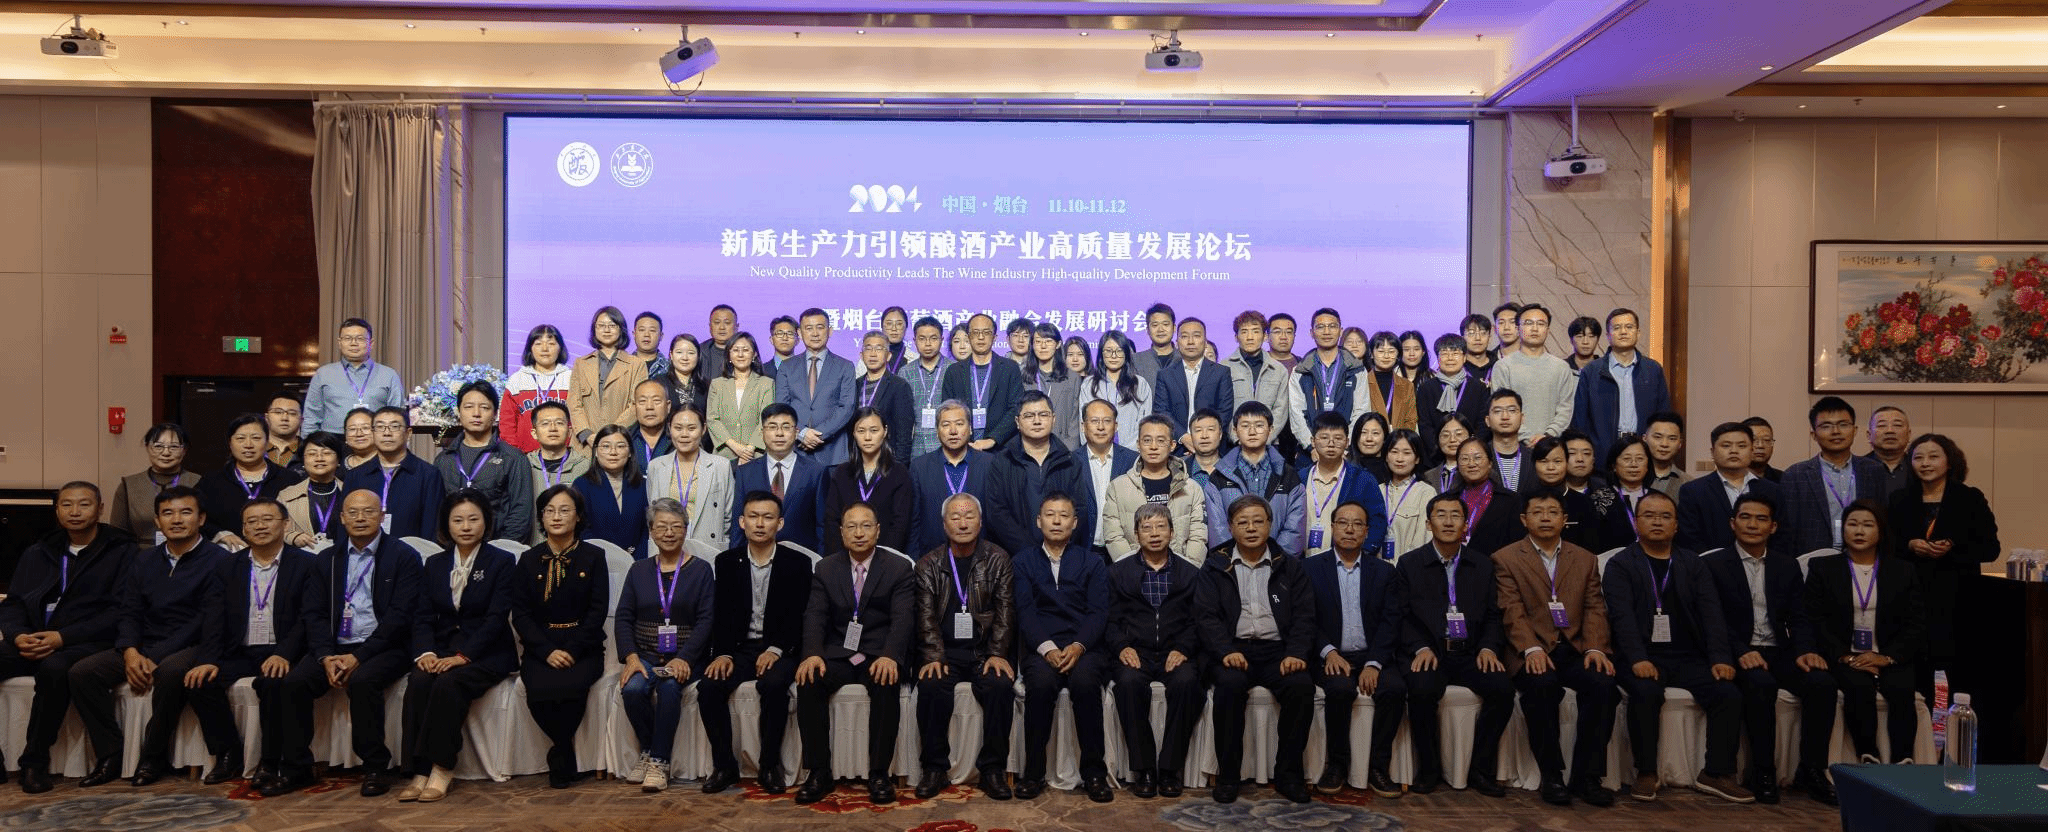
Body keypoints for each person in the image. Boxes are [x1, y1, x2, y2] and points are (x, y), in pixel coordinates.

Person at [68, 486, 226, 788]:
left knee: (172, 672)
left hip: (192, 644)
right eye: (167, 513)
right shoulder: (144, 559)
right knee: (82, 673)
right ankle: (111, 755)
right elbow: (129, 610)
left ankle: (153, 756)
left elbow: (205, 619)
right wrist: (130, 651)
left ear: (201, 518)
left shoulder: (218, 560)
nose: (176, 520)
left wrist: (155, 657)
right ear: (157, 521)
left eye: (185, 512)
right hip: (144, 643)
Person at [268, 489, 422, 797]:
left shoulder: (403, 556)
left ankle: (375, 766)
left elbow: (400, 616)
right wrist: (325, 656)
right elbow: (313, 613)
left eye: (368, 511)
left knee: (363, 681)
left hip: (384, 647)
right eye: (353, 512)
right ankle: (298, 768)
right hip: (335, 647)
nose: (360, 518)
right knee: (294, 683)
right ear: (341, 518)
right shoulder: (327, 559)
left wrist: (360, 656)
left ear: (382, 516)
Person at [1601, 490, 1751, 803]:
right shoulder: (1621, 564)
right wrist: (1637, 658)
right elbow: (1621, 618)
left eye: (1665, 516)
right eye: (1649, 516)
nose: (1657, 522)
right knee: (1646, 691)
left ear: (1676, 525)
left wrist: (1720, 658)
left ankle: (1716, 773)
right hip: (1640, 656)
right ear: (1636, 522)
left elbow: (1712, 615)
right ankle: (1646, 772)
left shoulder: (1693, 564)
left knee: (1727, 692)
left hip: (1687, 656)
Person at [1701, 493, 1839, 806]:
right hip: (1739, 651)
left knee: (1822, 682)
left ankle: (1812, 770)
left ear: (1773, 527)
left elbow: (1799, 615)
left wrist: (1805, 649)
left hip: (1780, 650)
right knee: (1760, 684)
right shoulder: (1712, 564)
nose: (1753, 524)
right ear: (1732, 523)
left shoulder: (1786, 565)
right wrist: (1739, 650)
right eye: (1745, 517)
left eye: (1761, 518)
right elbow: (1713, 619)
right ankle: (1763, 771)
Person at [0, 483, 137, 794]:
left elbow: (121, 610)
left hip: (85, 641)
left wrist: (62, 637)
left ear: (100, 509)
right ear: (57, 510)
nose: (75, 512)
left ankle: (34, 763)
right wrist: (18, 635)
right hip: (32, 638)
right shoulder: (39, 551)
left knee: (55, 669)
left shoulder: (121, 550)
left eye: (84, 504)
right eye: (67, 505)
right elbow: (13, 604)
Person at [1493, 490, 1619, 808]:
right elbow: (1511, 610)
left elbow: (1594, 607)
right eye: (1538, 512)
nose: (1546, 518)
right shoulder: (1506, 558)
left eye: (1552, 512)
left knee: (1604, 685)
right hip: (1531, 649)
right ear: (1524, 520)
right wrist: (1531, 649)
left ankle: (1587, 777)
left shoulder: (1585, 558)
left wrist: (1595, 649)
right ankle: (1552, 775)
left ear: (1565, 519)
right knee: (1541, 686)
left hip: (1574, 649)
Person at [187, 499, 317, 791]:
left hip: (285, 650)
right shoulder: (227, 566)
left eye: (267, 519)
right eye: (252, 521)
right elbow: (214, 617)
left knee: (273, 682)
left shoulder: (306, 564)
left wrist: (284, 653)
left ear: (285, 524)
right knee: (200, 681)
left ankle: (270, 762)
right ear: (243, 529)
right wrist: (208, 658)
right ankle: (228, 753)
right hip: (241, 650)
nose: (259, 526)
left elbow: (307, 617)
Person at [397, 491, 518, 803]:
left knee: (449, 683)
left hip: (488, 652)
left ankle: (441, 767)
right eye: (458, 520)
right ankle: (418, 770)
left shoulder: (502, 562)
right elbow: (423, 615)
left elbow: (496, 618)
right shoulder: (435, 564)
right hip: (442, 649)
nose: (466, 526)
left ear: (486, 522)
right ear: (446, 525)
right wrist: (426, 652)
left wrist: (464, 656)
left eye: (473, 519)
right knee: (419, 680)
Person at [793, 503, 916, 806]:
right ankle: (819, 772)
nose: (859, 533)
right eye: (851, 526)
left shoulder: (898, 568)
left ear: (877, 530)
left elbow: (903, 618)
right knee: (809, 681)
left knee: (887, 681)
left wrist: (891, 655)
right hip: (839, 654)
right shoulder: (826, 568)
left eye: (866, 526)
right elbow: (815, 616)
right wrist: (812, 654)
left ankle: (879, 773)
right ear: (841, 532)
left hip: (879, 653)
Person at [1197, 496, 1317, 804]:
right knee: (1228, 686)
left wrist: (1296, 652)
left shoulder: (1290, 565)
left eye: (1258, 521)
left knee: (1301, 687)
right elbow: (1206, 617)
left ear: (1270, 525)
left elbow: (1305, 615)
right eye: (1243, 522)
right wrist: (1225, 650)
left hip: (1279, 651)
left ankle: (1288, 775)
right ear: (1230, 527)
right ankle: (1228, 777)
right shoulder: (1214, 565)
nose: (1251, 528)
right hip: (1234, 650)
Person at [1393, 494, 1512, 797]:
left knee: (1502, 689)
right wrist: (1419, 647)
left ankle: (1481, 769)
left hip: (1471, 652)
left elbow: (1493, 615)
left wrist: (1488, 647)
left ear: (1466, 524)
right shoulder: (1409, 564)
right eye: (1441, 515)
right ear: (1428, 523)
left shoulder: (1482, 564)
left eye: (1455, 516)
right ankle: (1429, 769)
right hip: (1430, 652)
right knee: (1421, 689)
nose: (1448, 522)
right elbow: (1401, 616)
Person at [698, 492, 811, 795]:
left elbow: (800, 616)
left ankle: (769, 766)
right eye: (753, 517)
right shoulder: (726, 562)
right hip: (740, 649)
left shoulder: (798, 563)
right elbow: (721, 615)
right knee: (708, 686)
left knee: (773, 686)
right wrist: (722, 653)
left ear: (780, 523)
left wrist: (775, 650)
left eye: (768, 517)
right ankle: (724, 767)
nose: (760, 524)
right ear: (742, 521)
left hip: (781, 649)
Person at [910, 493, 1019, 799]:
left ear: (980, 522)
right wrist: (933, 655)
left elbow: (1005, 611)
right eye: (955, 517)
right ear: (944, 525)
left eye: (969, 516)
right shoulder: (928, 564)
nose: (962, 523)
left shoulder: (998, 559)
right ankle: (934, 768)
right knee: (931, 685)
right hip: (945, 653)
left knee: (1000, 686)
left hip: (984, 652)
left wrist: (997, 654)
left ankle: (993, 769)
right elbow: (925, 617)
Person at [1804, 500, 1925, 764]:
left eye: (1868, 525)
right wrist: (1845, 656)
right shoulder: (1823, 568)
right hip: (1845, 655)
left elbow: (1915, 623)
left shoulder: (1902, 570)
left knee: (1901, 689)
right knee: (1858, 687)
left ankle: (1904, 759)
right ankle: (1867, 755)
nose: (1859, 531)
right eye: (1853, 524)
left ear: (1880, 531)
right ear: (1843, 529)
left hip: (1888, 654)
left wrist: (1887, 657)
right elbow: (1816, 620)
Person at [1010, 493, 1114, 801]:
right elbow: (1025, 611)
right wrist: (1047, 648)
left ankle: (1094, 774)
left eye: (1064, 515)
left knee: (1085, 684)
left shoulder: (1093, 562)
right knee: (1040, 686)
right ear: (1038, 521)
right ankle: (1033, 774)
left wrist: (1079, 646)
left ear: (1075, 522)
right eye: (1050, 515)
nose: (1057, 521)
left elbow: (1098, 612)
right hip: (1041, 648)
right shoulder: (1022, 561)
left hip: (1085, 647)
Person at [1305, 501, 1406, 797]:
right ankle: (1337, 765)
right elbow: (1305, 619)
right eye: (1343, 523)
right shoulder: (1310, 569)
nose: (1349, 529)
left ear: (1366, 531)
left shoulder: (1384, 572)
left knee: (1395, 689)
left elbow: (1391, 621)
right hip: (1331, 655)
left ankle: (1378, 767)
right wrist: (1328, 651)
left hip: (1373, 655)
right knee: (1339, 689)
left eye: (1357, 524)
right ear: (1332, 527)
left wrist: (1374, 663)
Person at [1888, 433, 1998, 702]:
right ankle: (1919, 723)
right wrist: (1910, 545)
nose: (1925, 463)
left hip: (1958, 598)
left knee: (1958, 670)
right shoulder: (1900, 499)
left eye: (1933, 456)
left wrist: (1953, 548)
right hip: (1912, 598)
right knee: (1916, 669)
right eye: (1918, 457)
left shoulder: (1970, 498)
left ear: (1949, 462)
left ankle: (1952, 724)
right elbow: (1887, 546)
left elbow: (1990, 548)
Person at [613, 496, 713, 792]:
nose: (669, 533)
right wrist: (631, 657)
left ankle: (659, 761)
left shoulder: (701, 570)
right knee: (632, 689)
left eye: (676, 526)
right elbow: (623, 617)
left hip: (685, 656)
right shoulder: (639, 570)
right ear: (651, 531)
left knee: (670, 688)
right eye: (662, 526)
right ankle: (647, 749)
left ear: (685, 529)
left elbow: (707, 620)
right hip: (645, 654)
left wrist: (685, 658)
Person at [1106, 504, 1204, 799]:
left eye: (1161, 527)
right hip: (1135, 651)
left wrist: (1184, 648)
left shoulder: (1190, 573)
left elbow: (1200, 620)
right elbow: (1109, 620)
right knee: (1127, 684)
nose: (1154, 533)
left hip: (1176, 652)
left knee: (1188, 683)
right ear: (1136, 535)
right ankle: (1145, 769)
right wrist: (1122, 646)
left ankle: (1170, 769)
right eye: (1146, 528)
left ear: (1172, 533)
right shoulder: (1118, 572)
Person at [985, 391, 1095, 559]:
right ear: (1017, 422)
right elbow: (997, 513)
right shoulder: (1001, 462)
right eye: (1029, 416)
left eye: (1043, 415)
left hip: (1062, 556)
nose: (1037, 421)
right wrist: (1030, 553)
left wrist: (1057, 548)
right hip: (1016, 558)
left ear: (1053, 419)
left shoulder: (1070, 461)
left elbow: (1079, 509)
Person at [1779, 397, 1890, 554]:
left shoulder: (1874, 470)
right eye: (1826, 426)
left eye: (1843, 425)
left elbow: (1883, 521)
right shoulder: (1795, 475)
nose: (1836, 432)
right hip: (1813, 559)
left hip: (1865, 557)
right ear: (1813, 434)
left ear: (1855, 430)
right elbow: (1787, 530)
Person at [434, 381, 536, 544]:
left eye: (484, 407)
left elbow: (520, 514)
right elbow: (437, 513)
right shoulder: (444, 460)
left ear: (495, 414)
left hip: (499, 551)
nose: (476, 413)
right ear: (458, 412)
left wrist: (500, 552)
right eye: (468, 407)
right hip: (452, 552)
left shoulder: (513, 458)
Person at [1571, 308, 1672, 462]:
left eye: (1629, 327)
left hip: (1643, 451)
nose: (1623, 332)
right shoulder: (1591, 371)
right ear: (1608, 335)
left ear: (1638, 333)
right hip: (1603, 453)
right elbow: (1580, 420)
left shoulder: (1653, 370)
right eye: (1617, 328)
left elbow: (1664, 414)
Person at [1203, 402, 1305, 552]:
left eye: (1259, 425)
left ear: (1270, 429)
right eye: (1245, 426)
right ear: (1235, 430)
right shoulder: (1219, 477)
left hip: (1279, 563)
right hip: (1231, 563)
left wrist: (1277, 560)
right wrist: (1233, 560)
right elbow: (1218, 530)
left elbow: (1294, 530)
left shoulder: (1288, 475)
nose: (1252, 432)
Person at [1102, 415, 1206, 563]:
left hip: (1181, 572)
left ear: (1172, 445)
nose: (1153, 447)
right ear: (1138, 444)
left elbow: (1198, 536)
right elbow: (1114, 536)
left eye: (1161, 441)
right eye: (1147, 440)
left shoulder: (1191, 488)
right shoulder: (1118, 488)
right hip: (1133, 571)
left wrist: (1186, 571)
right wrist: (1132, 569)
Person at [730, 403, 827, 553]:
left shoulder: (816, 472)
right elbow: (738, 525)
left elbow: (822, 526)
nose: (779, 433)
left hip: (802, 559)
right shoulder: (745, 472)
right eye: (772, 427)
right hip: (756, 558)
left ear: (796, 432)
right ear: (762, 433)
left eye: (786, 427)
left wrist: (821, 563)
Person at [198, 414, 305, 549]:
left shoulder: (288, 479)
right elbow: (195, 517)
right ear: (230, 443)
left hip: (279, 553)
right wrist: (219, 534)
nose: (248, 445)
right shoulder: (211, 481)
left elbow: (301, 520)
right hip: (226, 555)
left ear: (267, 442)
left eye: (256, 438)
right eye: (240, 438)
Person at [1677, 422, 1783, 554]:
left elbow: (1780, 536)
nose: (1734, 451)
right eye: (1726, 445)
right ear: (1712, 452)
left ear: (1751, 451)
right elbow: (1689, 539)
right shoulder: (1693, 491)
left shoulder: (1772, 490)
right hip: (1709, 564)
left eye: (1741, 446)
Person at [907, 401, 996, 557]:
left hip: (982, 556)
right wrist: (915, 561)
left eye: (959, 424)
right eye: (946, 425)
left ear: (970, 429)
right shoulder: (919, 467)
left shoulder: (990, 464)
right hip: (933, 557)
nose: (953, 431)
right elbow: (914, 521)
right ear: (937, 430)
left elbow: (997, 517)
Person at [340, 407, 442, 542]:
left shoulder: (428, 475)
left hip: (412, 552)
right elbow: (345, 524)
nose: (387, 433)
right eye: (380, 427)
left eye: (394, 427)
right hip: (364, 552)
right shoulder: (356, 476)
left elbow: (432, 527)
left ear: (408, 433)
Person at [1298, 411, 1390, 559]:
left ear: (1347, 442)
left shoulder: (1363, 479)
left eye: (1338, 438)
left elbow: (1377, 522)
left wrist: (1362, 555)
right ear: (1313, 441)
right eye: (1324, 437)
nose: (1331, 444)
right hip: (1302, 562)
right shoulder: (1299, 478)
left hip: (1347, 562)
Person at [645, 406, 736, 553]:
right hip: (665, 545)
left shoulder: (721, 466)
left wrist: (721, 542)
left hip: (707, 546)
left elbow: (728, 515)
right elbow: (652, 511)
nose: (684, 434)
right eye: (678, 428)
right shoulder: (656, 466)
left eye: (691, 428)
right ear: (669, 428)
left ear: (703, 429)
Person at [824, 408, 914, 553]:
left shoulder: (899, 473)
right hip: (845, 556)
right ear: (853, 433)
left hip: (886, 557)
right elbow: (832, 521)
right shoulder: (841, 473)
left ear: (885, 431)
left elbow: (900, 524)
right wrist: (842, 558)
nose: (867, 437)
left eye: (874, 430)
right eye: (861, 431)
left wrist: (883, 558)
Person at [775, 309, 858, 465]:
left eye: (820, 327)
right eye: (808, 328)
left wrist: (818, 435)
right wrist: (801, 433)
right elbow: (782, 406)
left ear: (830, 331)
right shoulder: (786, 367)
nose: (815, 333)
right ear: (799, 333)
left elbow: (846, 407)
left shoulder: (845, 366)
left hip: (833, 452)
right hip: (795, 449)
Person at [1488, 304, 1577, 442]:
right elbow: (1501, 409)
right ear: (1518, 328)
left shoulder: (1561, 367)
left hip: (1552, 445)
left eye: (1540, 324)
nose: (1534, 329)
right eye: (1528, 323)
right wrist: (1528, 437)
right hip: (1513, 444)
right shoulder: (1503, 366)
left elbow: (1565, 409)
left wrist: (1547, 437)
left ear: (1547, 330)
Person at [303, 318, 405, 434]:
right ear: (339, 343)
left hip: (375, 438)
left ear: (371, 343)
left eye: (360, 338)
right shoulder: (323, 374)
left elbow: (398, 416)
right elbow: (311, 417)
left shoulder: (389, 375)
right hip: (332, 440)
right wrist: (307, 443)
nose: (353, 343)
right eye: (347, 338)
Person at [940, 314, 1027, 452]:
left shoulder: (1010, 368)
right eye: (976, 332)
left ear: (995, 337)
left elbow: (1016, 408)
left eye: (986, 332)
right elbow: (948, 410)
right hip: (963, 449)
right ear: (969, 336)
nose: (981, 337)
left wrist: (993, 439)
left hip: (1001, 449)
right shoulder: (954, 371)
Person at [568, 306, 649, 446]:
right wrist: (587, 434)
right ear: (594, 329)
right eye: (601, 325)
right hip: (584, 444)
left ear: (621, 329)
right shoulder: (581, 363)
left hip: (619, 442)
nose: (606, 330)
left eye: (612, 325)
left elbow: (636, 405)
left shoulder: (637, 365)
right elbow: (574, 402)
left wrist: (611, 434)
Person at [1288, 309, 1364, 455]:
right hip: (1310, 452)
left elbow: (1361, 411)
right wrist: (1311, 446)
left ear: (1341, 331)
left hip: (1347, 451)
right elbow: (1296, 414)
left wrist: (1344, 445)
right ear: (1312, 332)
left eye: (1332, 326)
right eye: (1320, 327)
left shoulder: (1356, 369)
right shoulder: (1300, 371)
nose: (1327, 332)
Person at [1153, 317, 1234, 453]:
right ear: (1177, 343)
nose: (1190, 342)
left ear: (1205, 342)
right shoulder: (1165, 375)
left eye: (1196, 336)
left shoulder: (1221, 372)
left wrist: (1203, 440)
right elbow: (1161, 411)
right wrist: (1184, 438)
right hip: (1176, 447)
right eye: (1184, 336)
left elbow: (1224, 412)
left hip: (1213, 447)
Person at [112, 422, 200, 541]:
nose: (166, 453)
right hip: (140, 551)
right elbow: (117, 533)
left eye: (174, 447)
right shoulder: (129, 485)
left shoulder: (198, 482)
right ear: (147, 447)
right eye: (158, 446)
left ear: (184, 450)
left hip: (187, 549)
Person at [1077, 398, 1138, 559]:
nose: (1101, 427)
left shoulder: (1133, 461)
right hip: (1083, 550)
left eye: (1107, 421)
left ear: (1115, 426)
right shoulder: (1071, 462)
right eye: (1094, 421)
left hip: (1125, 550)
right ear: (1083, 426)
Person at [498, 324, 572, 454]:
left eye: (551, 343)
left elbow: (577, 419)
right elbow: (507, 423)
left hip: (564, 456)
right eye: (538, 344)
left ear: (560, 348)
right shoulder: (517, 380)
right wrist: (515, 455)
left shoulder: (571, 378)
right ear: (530, 349)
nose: (545, 349)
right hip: (524, 455)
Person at [575, 425, 648, 556]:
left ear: (630, 452)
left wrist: (637, 559)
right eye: (606, 446)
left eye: (620, 446)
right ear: (596, 452)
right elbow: (580, 528)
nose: (613, 452)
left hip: (637, 560)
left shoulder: (642, 485)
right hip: (595, 558)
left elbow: (647, 529)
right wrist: (610, 555)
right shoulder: (582, 485)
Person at [1417, 334, 1489, 464]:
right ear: (1438, 359)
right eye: (1444, 354)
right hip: (1435, 458)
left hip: (1472, 457)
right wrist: (1439, 449)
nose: (1450, 358)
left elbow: (1482, 423)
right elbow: (1425, 424)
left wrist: (1470, 448)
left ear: (1464, 357)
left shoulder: (1478, 388)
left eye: (1455, 353)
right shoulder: (1426, 388)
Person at [1223, 311, 1293, 442]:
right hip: (1233, 443)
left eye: (1255, 331)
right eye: (1244, 332)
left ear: (1265, 336)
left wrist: (1265, 439)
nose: (1250, 337)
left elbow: (1281, 410)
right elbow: (1222, 409)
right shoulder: (1224, 367)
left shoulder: (1278, 370)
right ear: (1236, 337)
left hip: (1269, 443)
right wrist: (1237, 438)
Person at [1525, 437, 1602, 553]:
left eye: (1557, 461)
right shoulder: (1522, 501)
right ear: (1534, 464)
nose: (1551, 468)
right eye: (1544, 461)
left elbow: (1591, 548)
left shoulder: (1583, 502)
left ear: (1566, 462)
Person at [1451, 438, 1525, 556]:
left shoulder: (1511, 500)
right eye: (1464, 459)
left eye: (1477, 458)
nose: (1471, 464)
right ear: (1458, 465)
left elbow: (1517, 545)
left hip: (1495, 564)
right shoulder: (1448, 499)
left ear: (1490, 463)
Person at [525, 402, 590, 534]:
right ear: (534, 433)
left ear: (570, 431)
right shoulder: (523, 465)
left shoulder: (586, 467)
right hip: (530, 543)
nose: (553, 428)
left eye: (559, 423)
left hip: (573, 543)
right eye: (545, 423)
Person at [281, 432, 349, 550]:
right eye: (312, 454)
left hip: (343, 556)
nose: (319, 458)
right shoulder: (286, 495)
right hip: (301, 557)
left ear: (338, 459)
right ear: (303, 461)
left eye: (326, 453)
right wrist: (292, 537)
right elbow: (274, 530)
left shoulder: (351, 494)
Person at [857, 330, 917, 463]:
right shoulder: (855, 385)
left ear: (888, 356)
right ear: (861, 355)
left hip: (888, 460)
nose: (873, 354)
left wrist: (899, 466)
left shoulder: (899, 386)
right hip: (858, 459)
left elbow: (904, 433)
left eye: (879, 348)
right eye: (868, 348)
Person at [898, 317, 954, 459]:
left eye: (933, 338)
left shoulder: (954, 369)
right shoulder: (905, 372)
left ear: (941, 340)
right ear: (914, 340)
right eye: (922, 339)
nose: (928, 344)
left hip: (947, 442)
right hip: (916, 445)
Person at [1378, 428, 1438, 560]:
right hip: (1377, 568)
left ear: (1417, 459)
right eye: (1394, 452)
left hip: (1410, 568)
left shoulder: (1426, 492)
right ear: (1386, 456)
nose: (1399, 459)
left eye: (1407, 453)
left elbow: (1424, 539)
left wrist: (1406, 567)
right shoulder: (1377, 490)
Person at [1024, 322, 1084, 452]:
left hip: (1062, 448)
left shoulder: (1072, 378)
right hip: (1029, 448)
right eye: (1038, 341)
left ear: (1058, 344)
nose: (1043, 346)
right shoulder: (1023, 377)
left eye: (1048, 341)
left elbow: (1075, 421)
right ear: (1032, 345)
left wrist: (1067, 452)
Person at [1361, 331, 1420, 432]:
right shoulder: (1362, 382)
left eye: (1391, 351)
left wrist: (1399, 437)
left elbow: (1411, 420)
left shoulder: (1407, 385)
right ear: (1371, 354)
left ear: (1398, 355)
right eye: (1381, 351)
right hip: (1370, 437)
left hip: (1399, 438)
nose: (1386, 356)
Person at [1604, 435, 1655, 548]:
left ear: (1648, 465)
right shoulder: (1600, 499)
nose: (1634, 464)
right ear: (1614, 466)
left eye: (1640, 459)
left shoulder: (1658, 499)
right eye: (1626, 459)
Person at [1483, 390, 1536, 493]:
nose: (1505, 417)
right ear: (1487, 421)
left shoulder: (1534, 457)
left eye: (1512, 410)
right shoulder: (1479, 458)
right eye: (1497, 411)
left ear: (1522, 418)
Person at [1420, 412, 1479, 494]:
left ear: (1470, 437)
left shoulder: (1478, 471)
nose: (1452, 440)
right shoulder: (1428, 477)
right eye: (1446, 435)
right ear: (1438, 440)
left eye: (1458, 434)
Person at [1863, 406, 1915, 499]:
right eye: (1881, 425)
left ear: (1909, 434)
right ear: (1869, 435)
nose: (1890, 431)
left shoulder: (1918, 468)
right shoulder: (1857, 468)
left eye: (1897, 425)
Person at [1126, 303, 1179, 385]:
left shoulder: (1185, 359)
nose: (1160, 329)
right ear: (1147, 330)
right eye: (1155, 325)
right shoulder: (1135, 361)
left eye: (1165, 324)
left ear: (1174, 328)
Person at [657, 333, 708, 414]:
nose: (685, 358)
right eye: (679, 352)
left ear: (698, 356)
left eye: (691, 353)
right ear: (671, 355)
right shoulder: (659, 383)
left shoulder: (706, 386)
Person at [1644, 412, 1688, 498]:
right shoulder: (1632, 476)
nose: (1664, 444)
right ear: (1645, 438)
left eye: (1672, 438)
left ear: (1680, 443)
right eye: (1658, 437)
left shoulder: (1687, 482)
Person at [1183, 410, 1228, 488]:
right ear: (1191, 436)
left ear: (1220, 434)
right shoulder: (1177, 470)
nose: (1204, 436)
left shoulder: (1234, 469)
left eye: (1210, 429)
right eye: (1198, 430)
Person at [264, 396, 306, 474]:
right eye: (278, 412)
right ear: (266, 417)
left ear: (301, 420)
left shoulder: (309, 451)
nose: (284, 418)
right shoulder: (254, 448)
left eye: (292, 413)